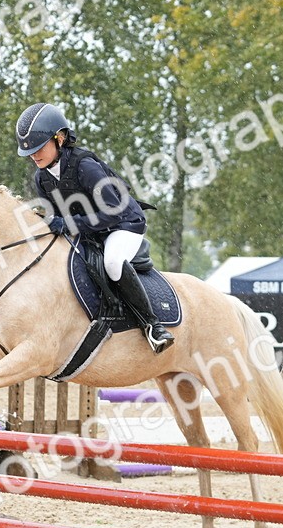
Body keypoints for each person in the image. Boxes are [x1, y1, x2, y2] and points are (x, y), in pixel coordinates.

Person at [16, 102, 174, 353]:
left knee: (112, 262)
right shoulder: (42, 177)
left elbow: (114, 211)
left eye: (39, 148)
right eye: (30, 152)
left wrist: (68, 224)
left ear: (60, 138)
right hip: (90, 230)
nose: (34, 156)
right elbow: (57, 217)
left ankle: (153, 325)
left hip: (123, 224)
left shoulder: (84, 166)